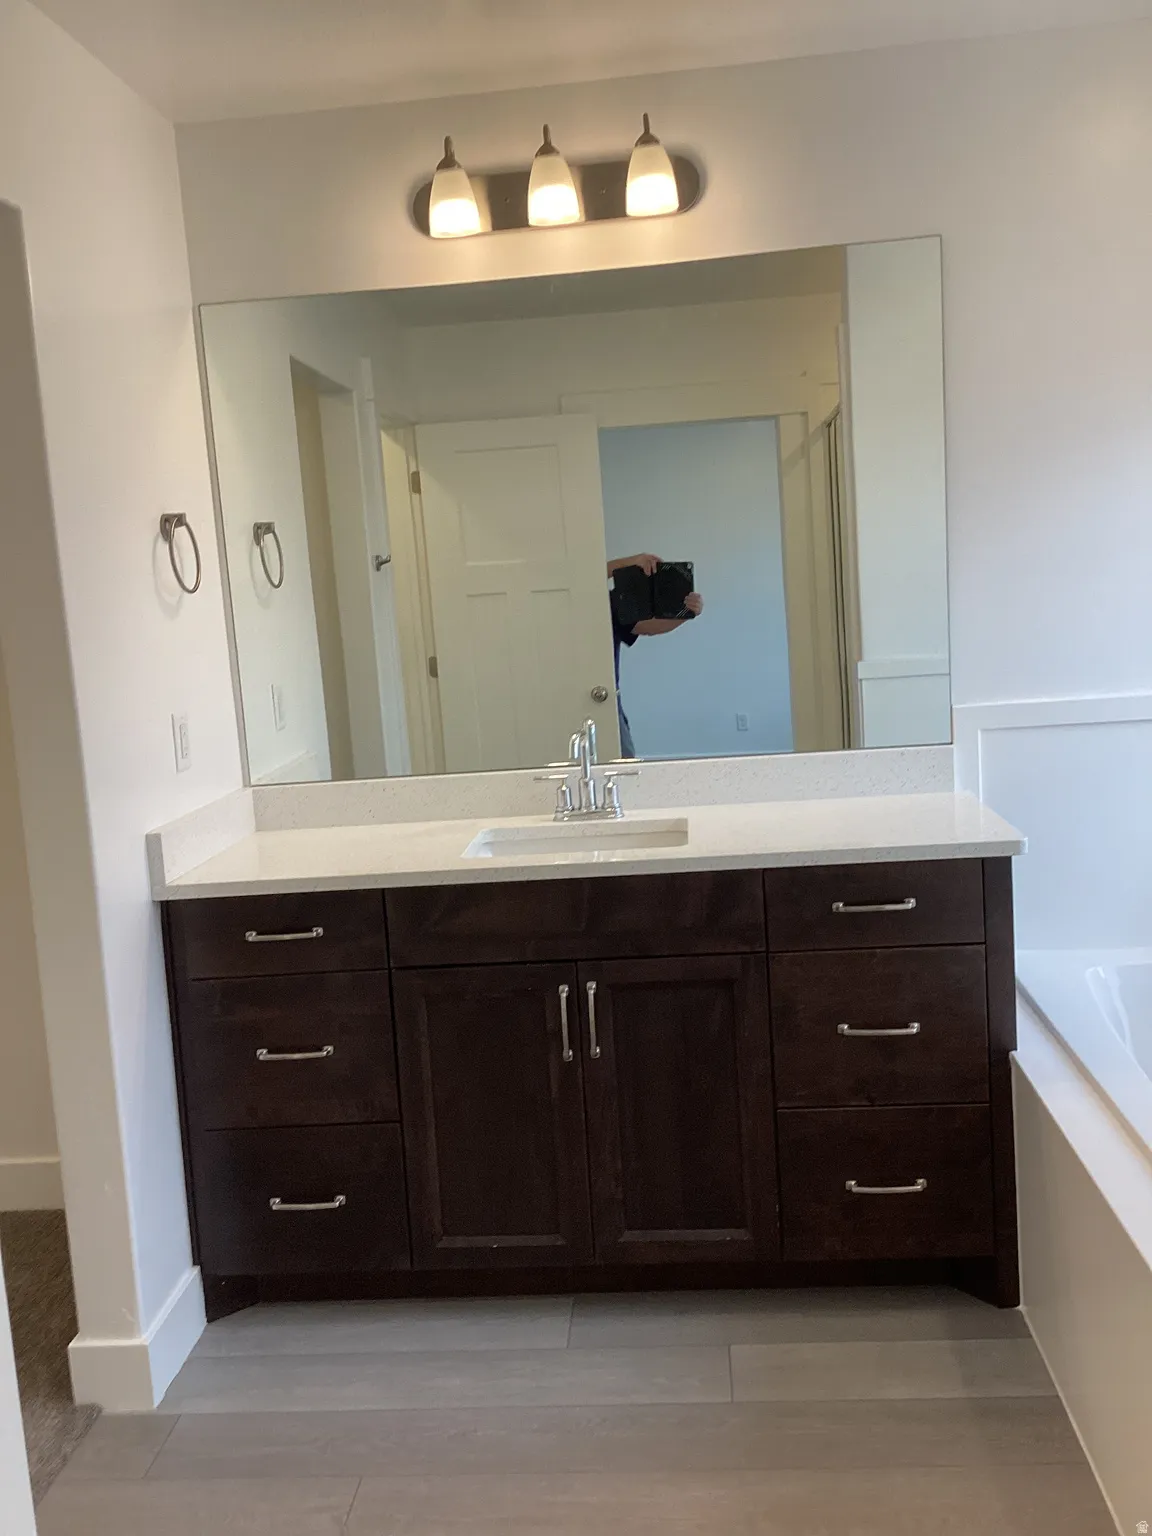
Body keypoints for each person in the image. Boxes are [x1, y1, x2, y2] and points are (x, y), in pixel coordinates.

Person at [607, 553, 704, 759]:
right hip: (578, 696)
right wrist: (631, 561)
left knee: (623, 762)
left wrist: (686, 614)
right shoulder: (583, 595)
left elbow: (646, 627)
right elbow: (584, 578)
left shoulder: (612, 603)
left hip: (606, 697)